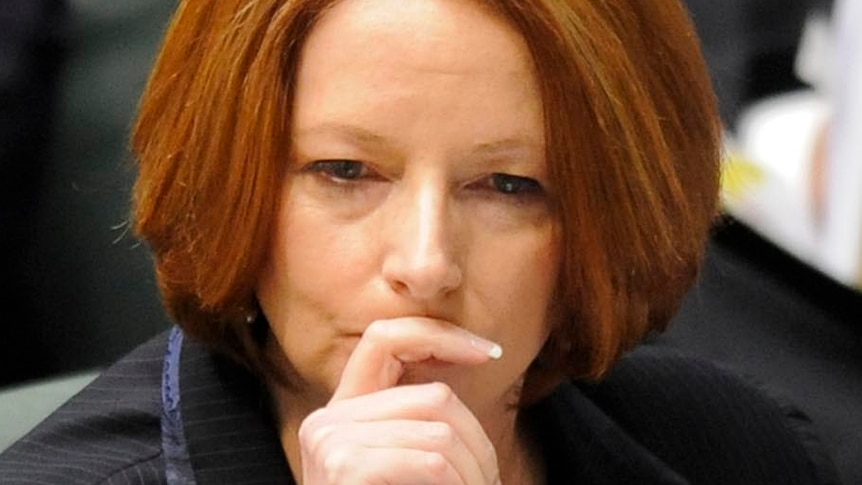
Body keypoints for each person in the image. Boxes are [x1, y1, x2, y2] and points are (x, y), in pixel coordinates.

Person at [0, 0, 840, 483]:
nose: (426, 263)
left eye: (510, 185)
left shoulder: (736, 441)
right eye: (344, 171)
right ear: (232, 183)